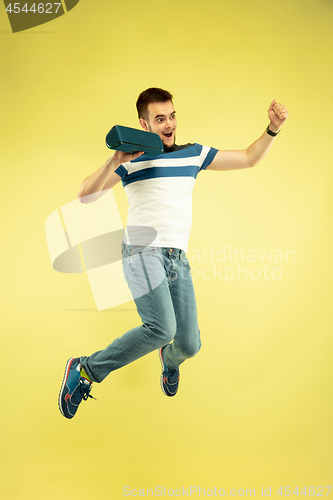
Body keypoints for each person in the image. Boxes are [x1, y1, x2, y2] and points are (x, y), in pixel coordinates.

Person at [58, 87, 288, 419]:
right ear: (144, 123)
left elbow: (249, 157)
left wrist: (272, 128)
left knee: (189, 345)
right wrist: (115, 159)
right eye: (160, 118)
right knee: (161, 328)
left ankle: (169, 360)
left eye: (172, 116)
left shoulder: (193, 154)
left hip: (176, 258)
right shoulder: (131, 159)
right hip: (141, 251)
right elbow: (84, 196)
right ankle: (85, 370)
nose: (169, 124)